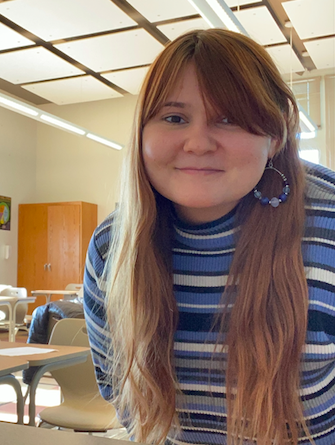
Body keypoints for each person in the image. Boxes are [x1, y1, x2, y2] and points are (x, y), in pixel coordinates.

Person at [83, 28, 335, 445]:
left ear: (274, 137)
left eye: (229, 118)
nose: (198, 143)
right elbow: (126, 400)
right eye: (174, 117)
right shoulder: (112, 248)